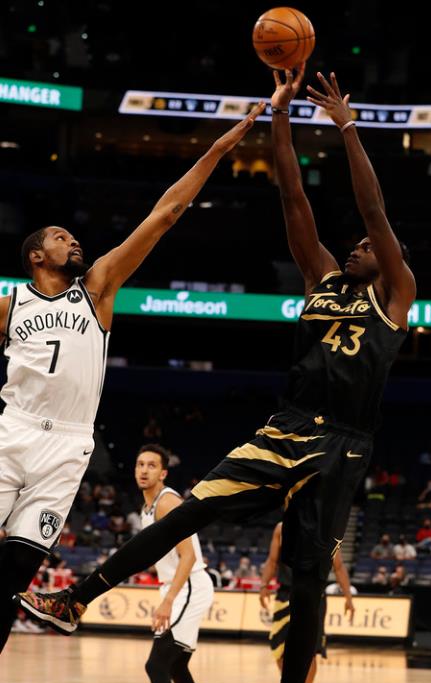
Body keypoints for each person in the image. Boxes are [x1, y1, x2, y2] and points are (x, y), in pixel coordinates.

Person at [17, 67, 416, 683]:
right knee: (186, 512)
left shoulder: (396, 293)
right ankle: (77, 598)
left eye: (366, 247)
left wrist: (347, 128)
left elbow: (376, 213)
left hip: (341, 445)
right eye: (352, 243)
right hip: (286, 425)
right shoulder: (323, 278)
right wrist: (282, 116)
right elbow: (292, 195)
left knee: (305, 583)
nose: (356, 245)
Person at [0, 103, 264, 653]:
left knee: (13, 577)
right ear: (35, 255)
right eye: (61, 237)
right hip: (13, 430)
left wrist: (221, 146)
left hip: (68, 446)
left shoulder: (97, 289)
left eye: (74, 237)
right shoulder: (10, 304)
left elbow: (165, 213)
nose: (73, 242)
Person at [130, 444, 214, 683]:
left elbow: (188, 556)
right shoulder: (146, 508)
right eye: (140, 464)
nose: (144, 470)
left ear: (163, 473)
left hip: (188, 586)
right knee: (176, 667)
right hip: (179, 587)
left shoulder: (167, 502)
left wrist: (167, 601)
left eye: (151, 465)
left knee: (156, 666)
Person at [259, 521, 354, 683]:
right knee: (278, 649)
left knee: (309, 652)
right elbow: (272, 560)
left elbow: (338, 566)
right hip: (285, 594)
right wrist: (264, 585)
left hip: (314, 594)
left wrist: (348, 597)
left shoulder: (326, 528)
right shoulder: (281, 528)